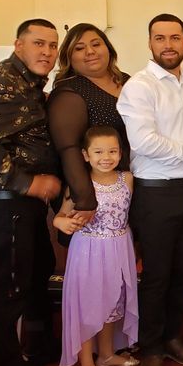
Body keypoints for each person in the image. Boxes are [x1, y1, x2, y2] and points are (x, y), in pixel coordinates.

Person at [0, 18, 62, 366]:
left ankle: (35, 347)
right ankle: (5, 363)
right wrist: (31, 184)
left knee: (36, 272)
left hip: (23, 205)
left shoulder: (29, 82)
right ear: (19, 45)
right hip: (5, 202)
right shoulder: (3, 81)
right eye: (39, 43)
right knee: (8, 286)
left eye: (52, 45)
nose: (47, 52)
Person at [117, 13, 183, 366]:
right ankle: (151, 347)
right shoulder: (140, 86)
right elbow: (144, 142)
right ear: (150, 43)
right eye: (160, 38)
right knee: (157, 273)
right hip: (156, 194)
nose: (168, 45)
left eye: (175, 38)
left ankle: (172, 337)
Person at [55, 126, 139, 366]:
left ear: (121, 153)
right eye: (99, 151)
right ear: (85, 155)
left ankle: (106, 355)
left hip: (119, 248)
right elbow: (59, 216)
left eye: (113, 151)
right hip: (88, 250)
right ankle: (87, 364)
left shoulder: (128, 179)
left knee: (113, 302)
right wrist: (64, 223)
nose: (106, 157)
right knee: (88, 305)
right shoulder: (79, 184)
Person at [48, 23, 130, 243]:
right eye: (79, 48)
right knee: (97, 249)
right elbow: (69, 149)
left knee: (126, 246)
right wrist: (85, 199)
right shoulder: (69, 91)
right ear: (69, 57)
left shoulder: (128, 81)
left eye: (96, 44)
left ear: (109, 49)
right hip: (93, 188)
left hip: (129, 182)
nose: (90, 52)